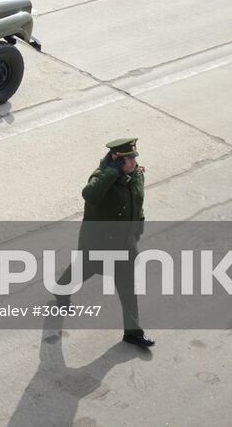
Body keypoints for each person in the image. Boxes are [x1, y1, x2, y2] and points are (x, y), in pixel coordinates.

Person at [53, 137, 154, 349]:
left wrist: (138, 229)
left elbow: (139, 203)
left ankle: (133, 333)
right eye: (128, 159)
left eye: (135, 157)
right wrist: (111, 172)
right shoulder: (101, 177)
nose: (134, 162)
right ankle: (61, 290)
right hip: (99, 245)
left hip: (125, 246)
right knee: (83, 270)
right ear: (116, 159)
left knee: (128, 290)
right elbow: (90, 195)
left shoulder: (136, 175)